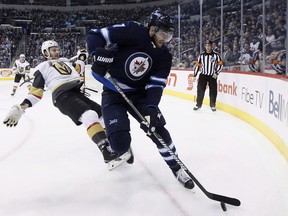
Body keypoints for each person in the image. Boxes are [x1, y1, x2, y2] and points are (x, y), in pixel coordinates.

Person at [85, 10, 194, 189]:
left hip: (139, 95)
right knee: (120, 145)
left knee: (158, 130)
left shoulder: (164, 56)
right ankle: (116, 138)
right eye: (162, 34)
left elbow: (156, 85)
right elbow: (95, 35)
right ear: (152, 29)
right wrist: (98, 53)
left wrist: (151, 107)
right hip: (113, 92)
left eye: (169, 35)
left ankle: (176, 168)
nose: (165, 39)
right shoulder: (133, 31)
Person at [3, 40, 129, 169]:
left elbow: (77, 73)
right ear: (46, 53)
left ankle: (118, 144)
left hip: (76, 93)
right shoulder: (42, 67)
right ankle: (106, 151)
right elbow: (36, 93)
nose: (57, 52)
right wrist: (21, 107)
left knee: (104, 115)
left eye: (57, 49)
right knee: (89, 115)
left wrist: (81, 59)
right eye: (53, 50)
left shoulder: (65, 61)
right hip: (62, 96)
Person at [193, 40, 223, 112]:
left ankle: (212, 105)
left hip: (212, 76)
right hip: (203, 75)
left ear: (211, 46)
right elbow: (197, 65)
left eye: (209, 45)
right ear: (205, 46)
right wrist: (195, 74)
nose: (208, 47)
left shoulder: (216, 55)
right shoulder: (201, 55)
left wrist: (216, 73)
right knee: (200, 90)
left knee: (213, 91)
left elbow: (220, 64)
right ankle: (198, 105)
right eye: (206, 45)